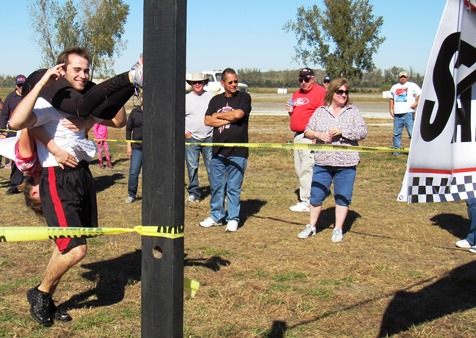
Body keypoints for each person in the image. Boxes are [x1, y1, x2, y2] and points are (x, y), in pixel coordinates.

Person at [9, 47, 140, 327]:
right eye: (76, 70)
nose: (83, 74)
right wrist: (43, 82)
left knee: (67, 246)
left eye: (86, 70)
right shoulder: (47, 101)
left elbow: (119, 121)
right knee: (75, 249)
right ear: (62, 71)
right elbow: (18, 122)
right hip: (57, 177)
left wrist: (91, 115)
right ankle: (41, 292)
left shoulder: (82, 101)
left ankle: (45, 296)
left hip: (82, 173)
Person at [297, 78, 367, 242]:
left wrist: (343, 131)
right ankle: (312, 226)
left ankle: (338, 228)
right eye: (340, 91)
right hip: (323, 162)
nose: (344, 95)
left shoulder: (353, 111)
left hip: (346, 163)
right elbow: (307, 131)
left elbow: (363, 132)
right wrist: (318, 135)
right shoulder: (321, 111)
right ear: (332, 93)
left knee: (342, 196)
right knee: (316, 195)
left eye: (346, 92)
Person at [199, 68, 252, 232]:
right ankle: (216, 215)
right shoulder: (215, 100)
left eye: (236, 81)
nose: (234, 84)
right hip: (218, 151)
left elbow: (238, 115)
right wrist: (224, 118)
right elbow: (207, 120)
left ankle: (233, 218)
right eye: (231, 82)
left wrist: (219, 117)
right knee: (216, 186)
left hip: (238, 151)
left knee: (233, 187)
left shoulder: (244, 97)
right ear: (223, 83)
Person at [285, 67, 326, 212]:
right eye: (301, 80)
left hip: (309, 136)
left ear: (313, 79)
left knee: (307, 169)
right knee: (299, 169)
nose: (303, 82)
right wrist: (291, 113)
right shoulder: (297, 93)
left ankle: (307, 201)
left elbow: (323, 115)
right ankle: (307, 198)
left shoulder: (320, 92)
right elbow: (297, 113)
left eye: (306, 79)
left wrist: (317, 135)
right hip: (298, 136)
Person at [185, 72, 214, 202]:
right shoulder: (186, 99)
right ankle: (194, 193)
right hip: (191, 138)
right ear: (191, 84)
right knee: (192, 166)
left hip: (209, 137)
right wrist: (185, 132)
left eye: (199, 82)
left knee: (212, 166)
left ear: (204, 83)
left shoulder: (211, 97)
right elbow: (178, 117)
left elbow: (216, 115)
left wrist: (214, 131)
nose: (197, 84)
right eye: (194, 82)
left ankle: (216, 192)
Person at [0, 75, 27, 194]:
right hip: (13, 133)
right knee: (15, 158)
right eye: (19, 85)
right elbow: (4, 115)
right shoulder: (11, 98)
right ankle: (14, 184)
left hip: (27, 132)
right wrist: (2, 132)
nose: (21, 87)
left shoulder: (29, 97)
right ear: (16, 86)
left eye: (23, 85)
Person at [389, 71, 421, 155]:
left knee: (411, 134)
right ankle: (396, 152)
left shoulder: (412, 85)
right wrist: (391, 109)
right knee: (396, 134)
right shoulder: (394, 87)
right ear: (398, 78)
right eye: (401, 76)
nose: (402, 78)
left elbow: (420, 95)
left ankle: (415, 152)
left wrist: (416, 103)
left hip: (408, 113)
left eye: (404, 76)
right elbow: (391, 99)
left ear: (407, 77)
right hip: (397, 114)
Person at [125, 94, 143, 204]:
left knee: (150, 173)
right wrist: (128, 146)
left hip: (151, 148)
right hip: (137, 147)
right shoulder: (135, 112)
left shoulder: (154, 111)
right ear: (141, 98)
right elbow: (128, 129)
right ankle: (132, 194)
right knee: (134, 172)